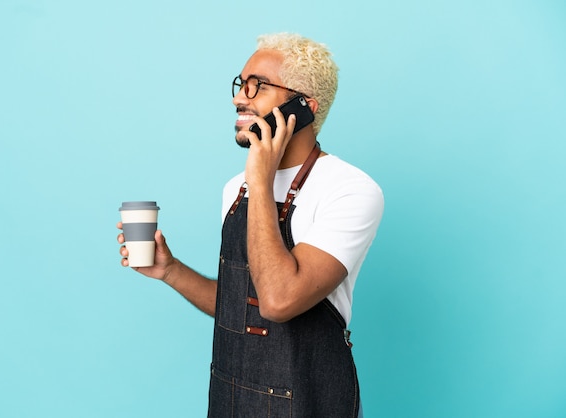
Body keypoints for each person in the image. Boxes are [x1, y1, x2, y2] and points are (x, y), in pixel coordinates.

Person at [117, 33, 384, 417]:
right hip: (231, 400)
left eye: (257, 86)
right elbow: (243, 308)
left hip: (311, 403)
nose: (239, 98)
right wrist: (170, 270)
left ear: (304, 107)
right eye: (240, 84)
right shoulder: (235, 189)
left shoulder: (350, 190)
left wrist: (260, 177)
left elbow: (278, 301)